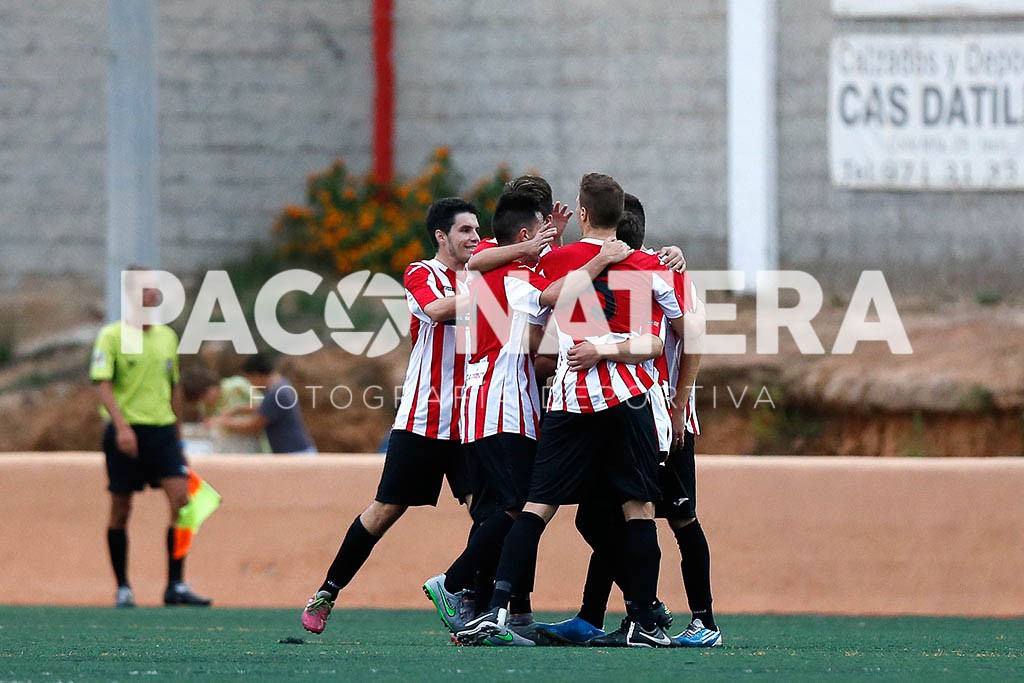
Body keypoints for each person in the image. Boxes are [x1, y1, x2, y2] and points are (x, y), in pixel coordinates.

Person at [457, 173, 690, 648]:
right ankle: (645, 624)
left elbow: (516, 291)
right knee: (638, 508)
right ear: (620, 213)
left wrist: (557, 259)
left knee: (537, 506)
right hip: (631, 399)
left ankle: (497, 612)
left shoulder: (556, 260)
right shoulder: (647, 265)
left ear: (582, 212)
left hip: (570, 401)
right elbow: (667, 337)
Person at [421, 191, 636, 643]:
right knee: (517, 506)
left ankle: (501, 612)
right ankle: (456, 583)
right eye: (540, 233)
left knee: (505, 508)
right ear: (523, 236)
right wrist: (600, 259)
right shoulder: (514, 274)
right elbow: (555, 293)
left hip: (486, 403)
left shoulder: (488, 266)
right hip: (503, 404)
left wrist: (549, 244)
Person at [538, 197, 719, 647]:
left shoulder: (664, 270)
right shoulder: (626, 270)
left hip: (660, 412)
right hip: (627, 408)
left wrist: (680, 405)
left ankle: (702, 622)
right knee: (603, 516)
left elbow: (692, 338)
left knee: (679, 518)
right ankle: (602, 614)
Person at [300, 197, 481, 634]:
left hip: (472, 420)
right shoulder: (424, 273)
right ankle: (327, 591)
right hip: (422, 418)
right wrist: (496, 293)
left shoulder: (487, 273)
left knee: (492, 516)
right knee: (385, 510)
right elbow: (437, 311)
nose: (475, 238)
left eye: (478, 231)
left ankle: (473, 601)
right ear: (441, 236)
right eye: (465, 231)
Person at [90, 270, 211, 607]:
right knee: (120, 508)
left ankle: (176, 584)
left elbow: (173, 388)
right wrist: (122, 427)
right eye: (146, 290)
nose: (154, 295)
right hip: (126, 431)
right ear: (130, 295)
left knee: (182, 502)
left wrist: (179, 439)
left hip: (162, 432)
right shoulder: (112, 336)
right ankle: (123, 586)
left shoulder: (166, 337)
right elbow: (103, 383)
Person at [209, 354, 316, 455]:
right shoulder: (281, 385)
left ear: (257, 375)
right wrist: (238, 410)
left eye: (250, 379)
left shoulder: (276, 394)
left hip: (294, 453)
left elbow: (253, 425)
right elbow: (265, 408)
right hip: (297, 450)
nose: (251, 384)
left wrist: (223, 422)